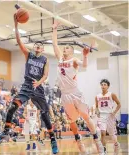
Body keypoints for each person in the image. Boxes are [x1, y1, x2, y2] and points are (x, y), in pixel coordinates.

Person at [0, 13, 59, 154]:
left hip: (38, 88)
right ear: (34, 47)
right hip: (26, 86)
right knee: (12, 108)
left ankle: (53, 139)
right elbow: (19, 40)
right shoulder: (28, 54)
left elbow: (46, 75)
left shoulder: (45, 60)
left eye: (40, 46)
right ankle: (5, 133)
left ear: (42, 50)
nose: (37, 46)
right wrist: (16, 25)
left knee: (44, 115)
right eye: (36, 45)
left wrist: (39, 82)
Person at [52, 21, 104, 154]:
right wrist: (54, 29)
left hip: (75, 93)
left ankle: (97, 141)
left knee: (86, 117)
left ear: (72, 51)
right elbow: (54, 44)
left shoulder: (74, 60)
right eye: (64, 49)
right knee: (71, 121)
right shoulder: (60, 60)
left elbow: (85, 65)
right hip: (65, 95)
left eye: (67, 48)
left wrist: (85, 56)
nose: (64, 50)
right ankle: (78, 140)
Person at [95, 79, 121, 154]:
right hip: (102, 116)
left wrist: (114, 112)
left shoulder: (112, 94)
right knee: (102, 133)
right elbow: (96, 106)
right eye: (102, 84)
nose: (103, 86)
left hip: (110, 115)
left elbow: (119, 104)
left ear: (108, 86)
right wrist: (97, 112)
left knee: (111, 134)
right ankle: (104, 150)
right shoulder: (97, 96)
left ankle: (116, 143)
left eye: (105, 85)